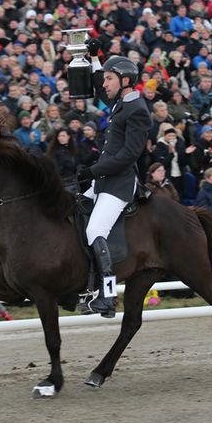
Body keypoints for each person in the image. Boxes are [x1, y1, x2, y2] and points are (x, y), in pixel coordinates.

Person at [75, 43, 152, 317]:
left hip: (118, 184)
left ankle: (107, 296)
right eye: (106, 77)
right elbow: (99, 86)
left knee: (95, 230)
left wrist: (93, 172)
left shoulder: (138, 110)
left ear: (126, 81)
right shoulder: (121, 102)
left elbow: (128, 155)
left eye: (110, 78)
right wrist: (95, 58)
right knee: (75, 216)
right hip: (104, 180)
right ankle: (86, 288)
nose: (104, 83)